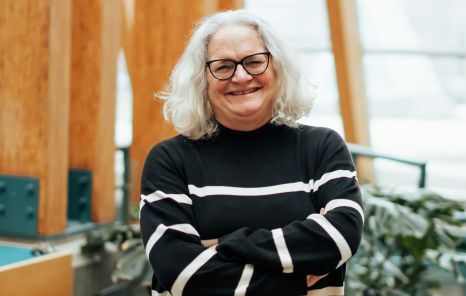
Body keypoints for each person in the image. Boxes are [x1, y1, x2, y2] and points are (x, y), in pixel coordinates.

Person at [140, 9, 364, 296]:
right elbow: (182, 274)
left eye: (255, 61)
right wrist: (293, 279)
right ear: (202, 79)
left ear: (277, 68)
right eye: (222, 66)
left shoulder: (321, 148)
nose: (242, 76)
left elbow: (340, 237)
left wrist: (227, 245)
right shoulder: (170, 161)